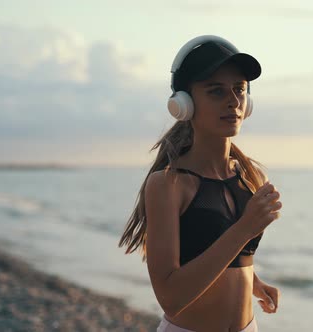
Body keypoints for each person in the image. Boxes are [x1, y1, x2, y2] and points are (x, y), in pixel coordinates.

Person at [118, 35, 283, 332]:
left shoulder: (251, 176)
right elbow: (171, 297)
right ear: (184, 104)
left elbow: (226, 256)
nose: (232, 101)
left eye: (239, 90)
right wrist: (245, 227)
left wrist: (253, 283)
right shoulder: (167, 184)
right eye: (216, 91)